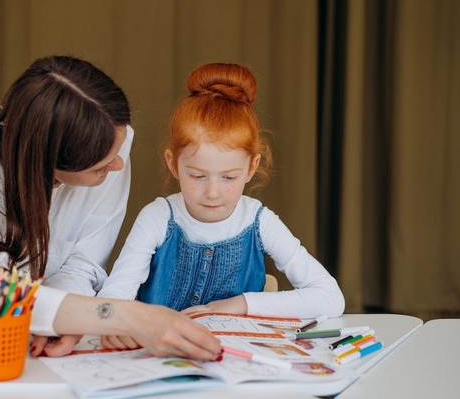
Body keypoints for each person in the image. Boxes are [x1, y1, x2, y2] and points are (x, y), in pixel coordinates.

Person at [0, 55, 221, 360]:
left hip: (48, 321)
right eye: (100, 169)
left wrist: (67, 321)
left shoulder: (111, 140)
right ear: (48, 161)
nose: (118, 165)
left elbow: (83, 263)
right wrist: (132, 316)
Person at [96, 62, 345, 349]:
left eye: (229, 177)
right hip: (158, 357)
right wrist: (115, 320)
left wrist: (241, 304)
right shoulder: (157, 217)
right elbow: (115, 296)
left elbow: (330, 297)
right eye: (198, 176)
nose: (213, 192)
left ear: (252, 167)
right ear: (172, 163)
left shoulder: (260, 222)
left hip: (233, 360)